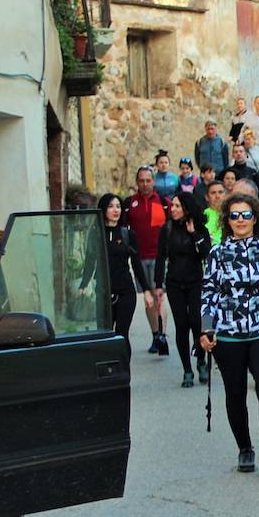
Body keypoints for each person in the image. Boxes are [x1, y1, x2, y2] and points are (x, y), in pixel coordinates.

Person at [199, 193, 259, 477]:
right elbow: (209, 291)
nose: (241, 220)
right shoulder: (217, 253)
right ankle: (245, 448)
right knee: (235, 393)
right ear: (227, 220)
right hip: (229, 333)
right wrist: (206, 327)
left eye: (246, 215)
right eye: (235, 215)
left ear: (256, 218)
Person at [156, 192, 213, 388]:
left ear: (187, 208)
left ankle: (201, 361)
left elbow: (208, 253)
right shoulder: (167, 229)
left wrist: (194, 234)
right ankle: (187, 369)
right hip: (174, 283)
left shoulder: (200, 229)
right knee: (181, 325)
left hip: (196, 281)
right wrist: (157, 286)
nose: (173, 209)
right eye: (172, 206)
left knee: (197, 322)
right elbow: (160, 258)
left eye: (177, 206)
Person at [84, 193, 153, 347]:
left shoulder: (128, 234)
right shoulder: (96, 233)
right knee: (105, 334)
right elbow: (90, 261)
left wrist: (146, 290)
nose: (116, 210)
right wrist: (83, 284)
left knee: (122, 334)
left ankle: (123, 370)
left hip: (125, 292)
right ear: (103, 209)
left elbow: (136, 263)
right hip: (103, 292)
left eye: (118, 206)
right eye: (111, 206)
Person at [125, 166, 170, 355]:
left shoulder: (164, 202)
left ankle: (163, 336)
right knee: (148, 299)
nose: (145, 184)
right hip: (139, 258)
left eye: (148, 180)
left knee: (160, 296)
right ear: (137, 182)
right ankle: (154, 334)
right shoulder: (129, 204)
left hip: (160, 258)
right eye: (141, 180)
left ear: (154, 181)